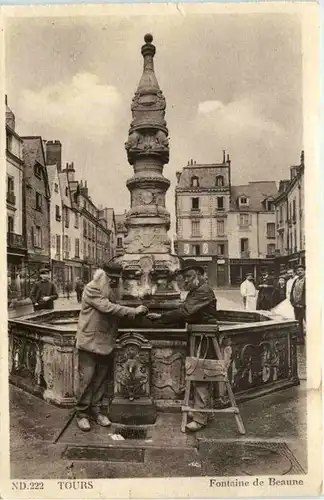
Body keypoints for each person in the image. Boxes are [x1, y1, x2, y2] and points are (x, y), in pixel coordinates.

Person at [75, 263, 148, 432]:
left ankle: (96, 411)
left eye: (117, 279)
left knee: (101, 379)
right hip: (90, 342)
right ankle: (82, 414)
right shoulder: (91, 288)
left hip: (106, 342)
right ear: (102, 277)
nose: (115, 282)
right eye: (111, 279)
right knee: (87, 380)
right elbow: (107, 307)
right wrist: (134, 311)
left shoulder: (112, 290)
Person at [147, 262, 218, 432]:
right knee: (201, 373)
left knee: (201, 374)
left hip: (204, 336)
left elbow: (185, 312)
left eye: (189, 276)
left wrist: (161, 317)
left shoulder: (203, 291)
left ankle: (201, 418)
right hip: (200, 335)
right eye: (184, 277)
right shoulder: (196, 291)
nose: (185, 280)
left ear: (199, 276)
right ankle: (204, 412)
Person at [290, 264, 306, 344]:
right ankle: (300, 339)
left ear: (304, 271)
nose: (299, 272)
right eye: (298, 270)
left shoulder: (307, 280)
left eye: (301, 270)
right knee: (298, 322)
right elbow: (292, 292)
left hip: (305, 306)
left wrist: (303, 303)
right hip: (296, 306)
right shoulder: (295, 280)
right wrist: (292, 302)